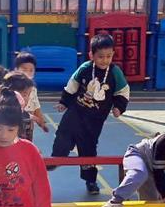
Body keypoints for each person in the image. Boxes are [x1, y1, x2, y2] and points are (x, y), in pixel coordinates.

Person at [50, 32, 130, 195]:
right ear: (91, 55)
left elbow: (122, 91)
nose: (105, 60)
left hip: (95, 120)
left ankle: (90, 180)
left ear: (113, 54)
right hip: (76, 112)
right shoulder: (85, 68)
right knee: (63, 135)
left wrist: (119, 107)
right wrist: (64, 102)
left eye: (108, 56)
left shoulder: (115, 72)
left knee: (88, 149)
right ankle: (56, 158)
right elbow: (72, 84)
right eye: (100, 57)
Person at [13, 51, 50, 139]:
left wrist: (42, 123)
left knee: (27, 144)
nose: (28, 73)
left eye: (31, 70)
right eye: (24, 69)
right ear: (16, 69)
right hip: (14, 127)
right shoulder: (13, 87)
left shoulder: (33, 89)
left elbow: (36, 107)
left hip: (28, 127)